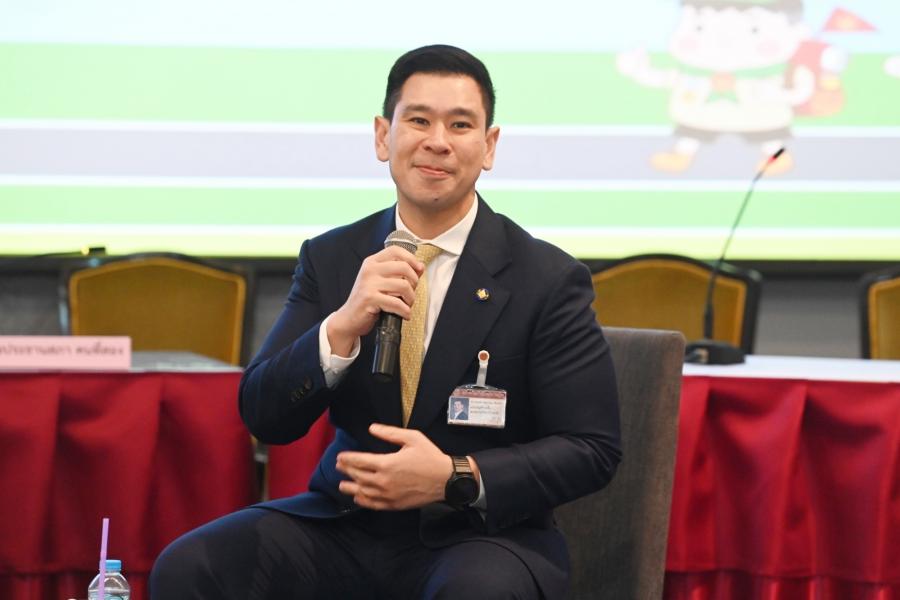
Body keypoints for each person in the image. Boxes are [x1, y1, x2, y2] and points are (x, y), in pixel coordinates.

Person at [150, 44, 621, 600]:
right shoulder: (332, 257)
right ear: (382, 136)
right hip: (345, 522)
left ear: (489, 145)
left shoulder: (547, 277)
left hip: (478, 534)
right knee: (189, 567)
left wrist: (456, 474)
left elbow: (592, 448)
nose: (437, 141)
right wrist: (342, 326)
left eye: (460, 125)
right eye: (418, 120)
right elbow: (264, 416)